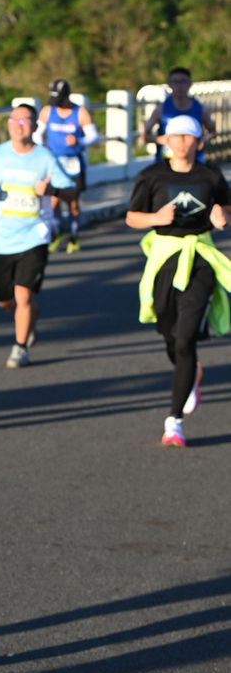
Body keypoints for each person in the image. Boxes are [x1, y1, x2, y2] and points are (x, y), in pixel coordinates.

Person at [126, 115, 231, 447]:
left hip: (200, 258)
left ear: (199, 142)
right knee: (170, 334)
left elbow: (227, 208)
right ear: (166, 141)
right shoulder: (151, 176)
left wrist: (222, 217)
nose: (182, 142)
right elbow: (132, 217)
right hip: (164, 259)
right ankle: (191, 371)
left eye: (189, 137)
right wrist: (156, 218)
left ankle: (174, 422)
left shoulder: (210, 175)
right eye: (176, 136)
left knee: (186, 338)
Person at [0, 105, 76, 369]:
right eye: (15, 120)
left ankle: (20, 347)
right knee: (5, 300)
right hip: (2, 240)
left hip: (35, 237)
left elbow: (71, 191)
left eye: (25, 120)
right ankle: (27, 318)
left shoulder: (45, 157)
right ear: (8, 124)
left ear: (35, 126)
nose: (19, 125)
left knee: (23, 295)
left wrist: (52, 190)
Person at [36, 78, 99, 253]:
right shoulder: (48, 111)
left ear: (67, 96)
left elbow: (94, 136)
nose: (58, 103)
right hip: (54, 163)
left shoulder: (80, 112)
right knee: (53, 200)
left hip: (74, 164)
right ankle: (57, 233)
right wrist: (41, 147)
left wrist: (79, 140)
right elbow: (37, 133)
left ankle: (74, 236)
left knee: (73, 201)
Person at [141, 66, 216, 161]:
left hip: (194, 161)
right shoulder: (161, 109)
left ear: (190, 84)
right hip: (167, 162)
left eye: (183, 81)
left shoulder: (200, 109)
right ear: (169, 84)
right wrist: (160, 139)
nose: (179, 86)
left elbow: (212, 132)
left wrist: (203, 140)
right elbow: (143, 137)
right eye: (175, 82)